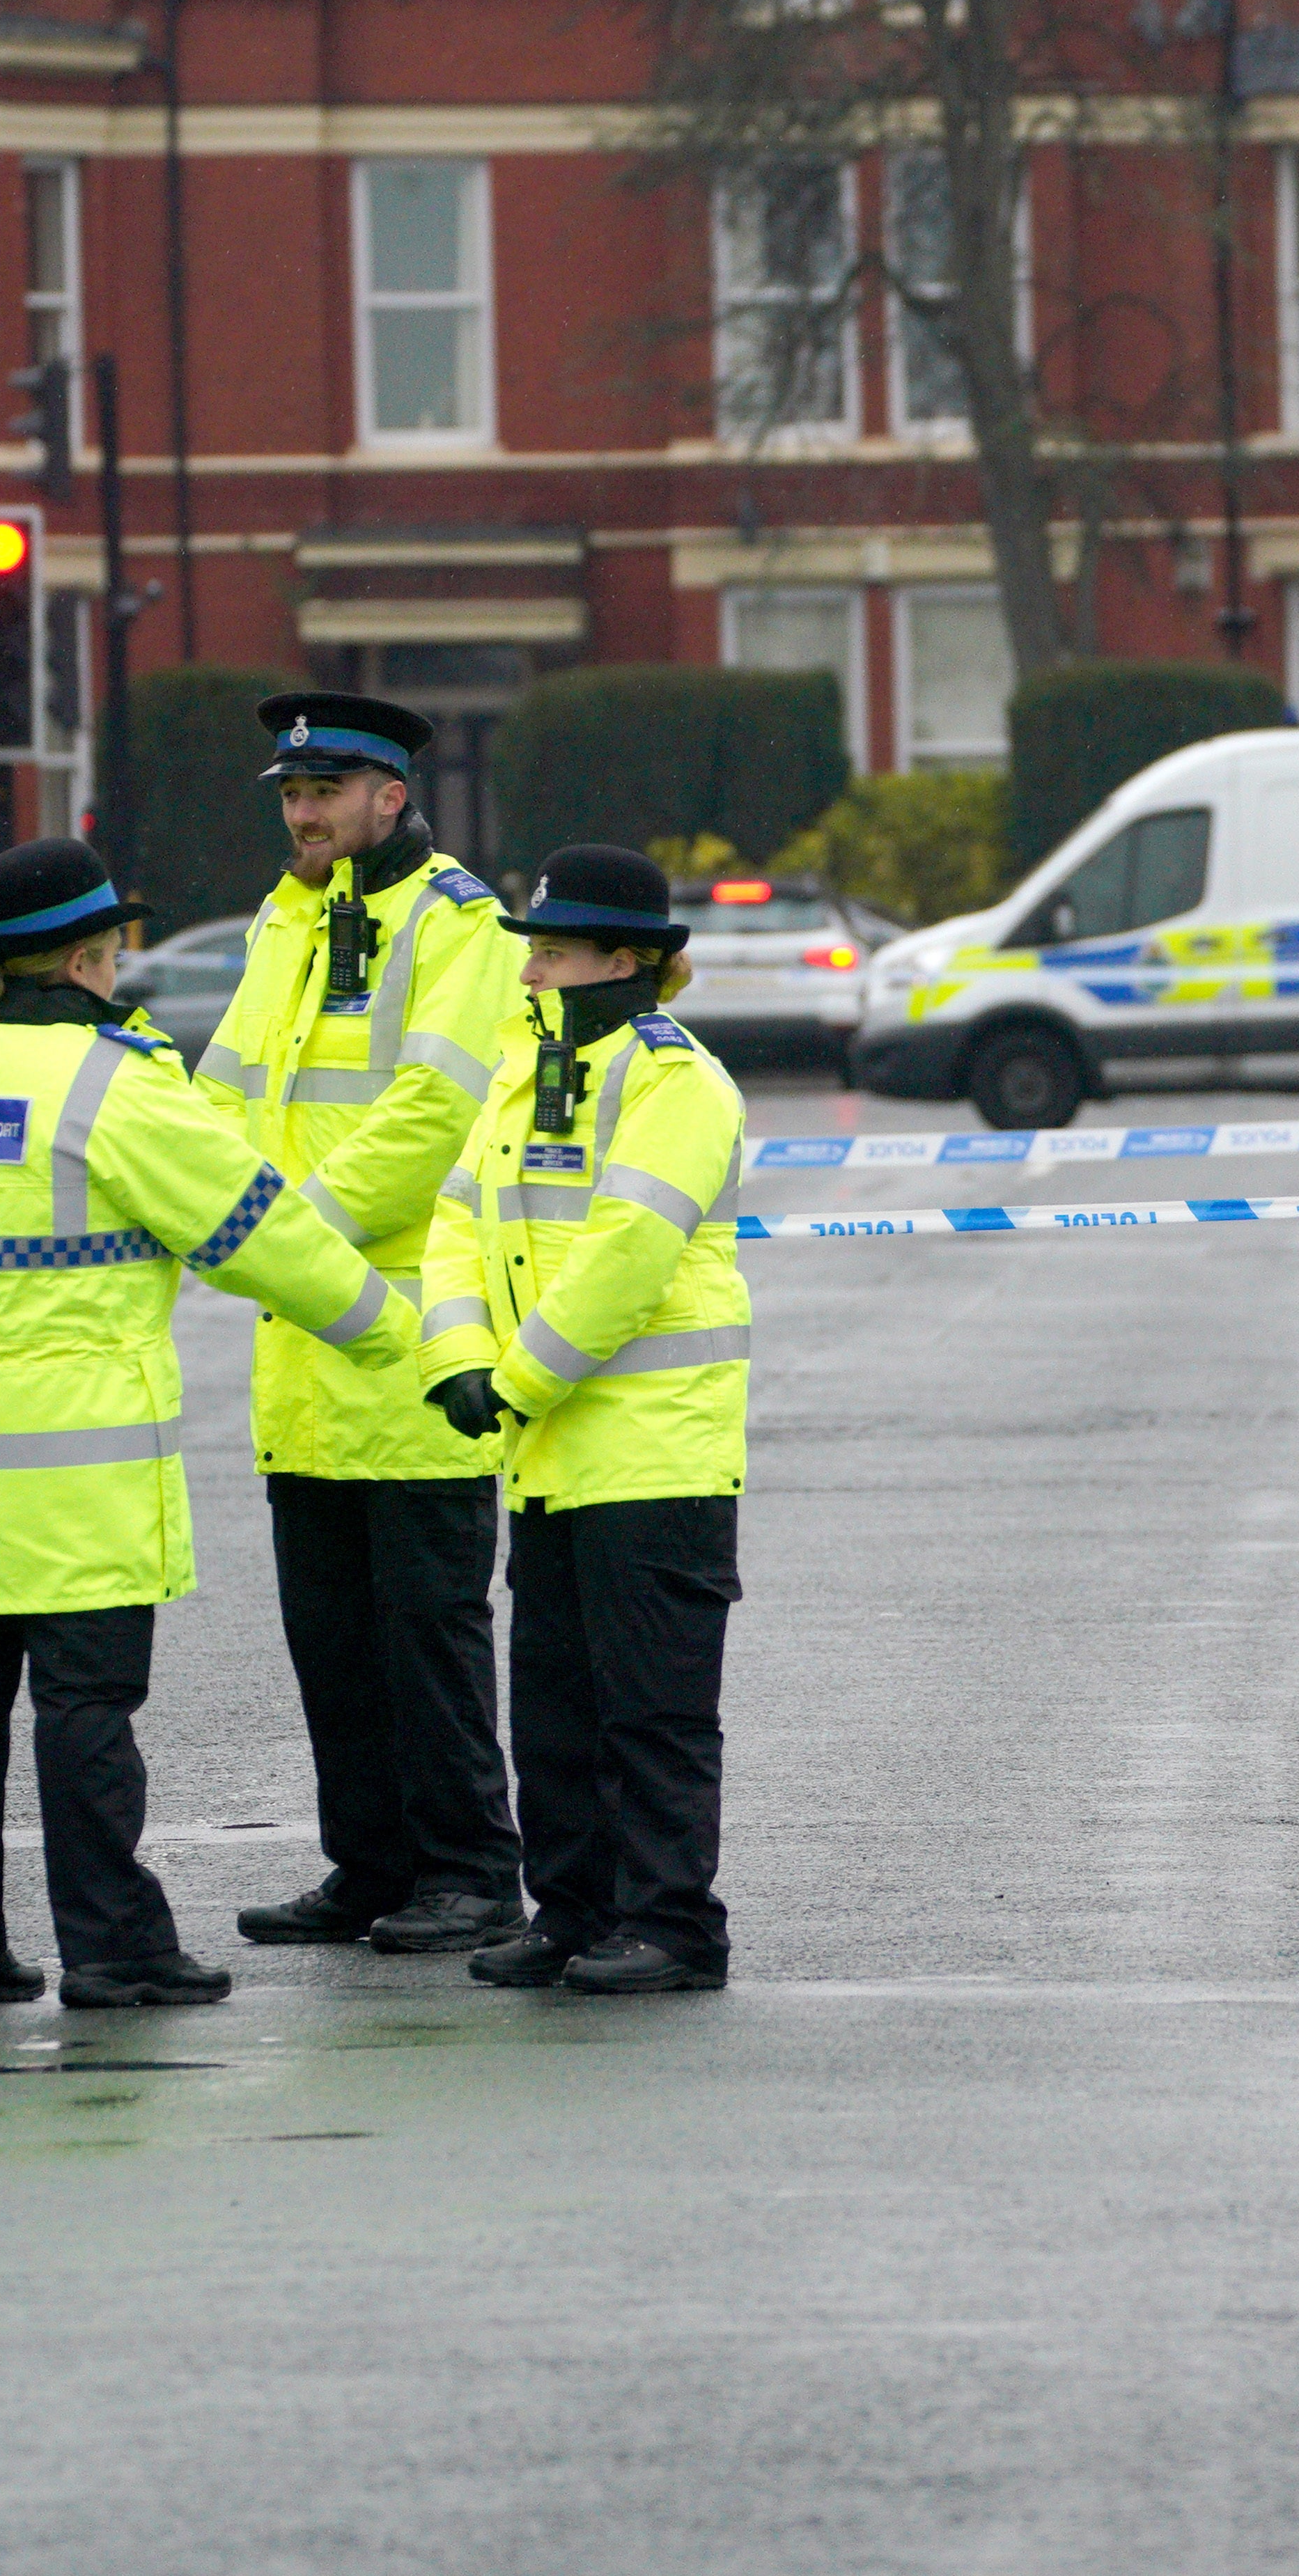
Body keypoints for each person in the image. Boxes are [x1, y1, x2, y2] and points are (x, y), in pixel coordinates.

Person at [0, 839, 420, 2009]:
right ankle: (115, 1948)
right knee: (85, 1705)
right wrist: (409, 1341)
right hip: (80, 1454)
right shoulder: (119, 1089)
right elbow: (270, 1238)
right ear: (95, 958)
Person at [197, 694, 531, 1961]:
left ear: (391, 798)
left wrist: (273, 1237)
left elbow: (431, 1120)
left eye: (326, 793)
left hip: (406, 1342)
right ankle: (372, 1865)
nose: (303, 813)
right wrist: (218, 1213)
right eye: (291, 794)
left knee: (429, 1637)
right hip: (303, 1354)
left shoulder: (462, 928)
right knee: (331, 1643)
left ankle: (470, 1873)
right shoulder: (289, 920)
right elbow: (218, 1096)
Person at [421, 845, 752, 1995]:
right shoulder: (527, 1068)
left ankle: (672, 1926)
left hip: (655, 1452)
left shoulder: (676, 1082)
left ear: (630, 962)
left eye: (553, 955)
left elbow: (628, 1256)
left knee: (653, 1714)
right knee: (557, 1708)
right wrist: (457, 1353)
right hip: (554, 1452)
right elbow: (456, 1221)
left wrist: (510, 1380)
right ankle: (574, 1912)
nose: (531, 974)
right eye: (533, 952)